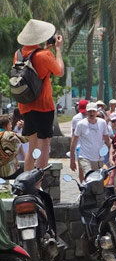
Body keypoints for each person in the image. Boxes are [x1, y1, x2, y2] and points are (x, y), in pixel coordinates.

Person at [14, 19, 64, 175]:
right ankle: (37, 183)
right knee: (44, 146)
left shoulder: (18, 54)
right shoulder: (45, 54)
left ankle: (27, 180)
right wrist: (58, 50)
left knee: (32, 147)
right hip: (43, 105)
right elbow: (59, 71)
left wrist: (44, 50)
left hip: (25, 104)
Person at [69, 102, 111, 178]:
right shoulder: (81, 124)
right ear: (86, 112)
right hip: (85, 157)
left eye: (93, 111)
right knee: (90, 177)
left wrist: (111, 155)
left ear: (97, 112)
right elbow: (74, 141)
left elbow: (107, 140)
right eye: (89, 111)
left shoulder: (102, 123)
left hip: (98, 159)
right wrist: (72, 159)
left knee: (99, 181)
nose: (91, 114)